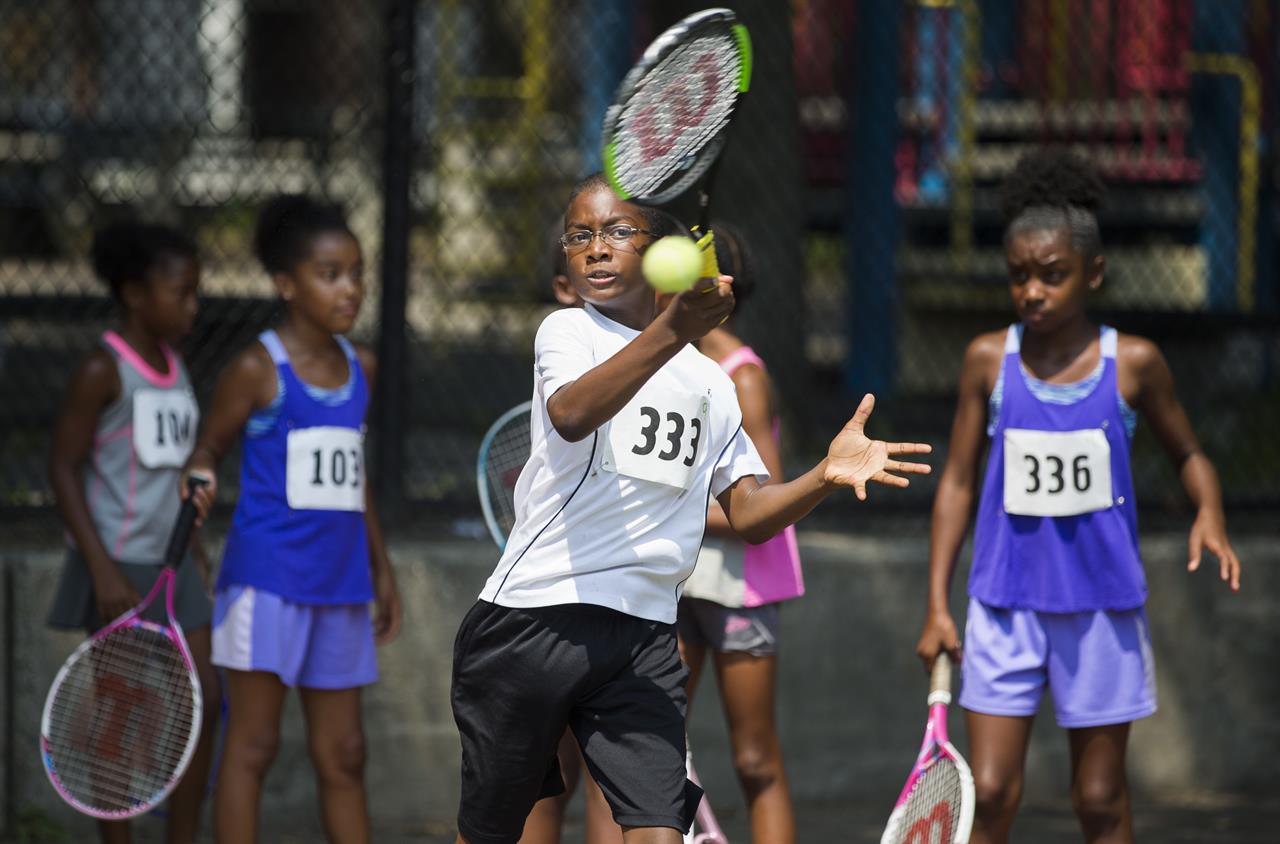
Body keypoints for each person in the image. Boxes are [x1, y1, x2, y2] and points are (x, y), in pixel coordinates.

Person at [452, 172, 932, 844]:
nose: (595, 248)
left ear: (656, 254)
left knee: (658, 833)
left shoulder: (713, 384)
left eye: (617, 231)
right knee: (492, 832)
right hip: (536, 620)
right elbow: (570, 414)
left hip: (644, 636)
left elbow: (749, 513)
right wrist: (673, 329)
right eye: (580, 236)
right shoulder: (566, 332)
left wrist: (823, 475)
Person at [914, 149, 1242, 844]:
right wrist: (939, 602)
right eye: (1019, 277)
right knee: (992, 793)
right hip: (1004, 605)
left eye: (1052, 275)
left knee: (1098, 799)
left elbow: (1188, 453)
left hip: (1100, 608)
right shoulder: (987, 360)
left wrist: (1208, 513)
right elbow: (959, 482)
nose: (1032, 291)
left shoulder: (1135, 365)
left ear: (1093, 272)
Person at [183, 195, 402, 844]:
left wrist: (381, 567)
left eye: (357, 272)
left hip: (341, 586)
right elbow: (207, 447)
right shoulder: (257, 369)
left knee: (345, 754)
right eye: (330, 274)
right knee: (251, 750)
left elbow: (352, 476)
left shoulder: (362, 366)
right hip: (267, 583)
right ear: (286, 284)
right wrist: (198, 473)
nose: (351, 288)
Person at [47, 221, 217, 844]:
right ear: (136, 293)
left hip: (173, 564)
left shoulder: (176, 367)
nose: (193, 305)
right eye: (182, 292)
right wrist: (99, 567)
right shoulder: (103, 368)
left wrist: (194, 550)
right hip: (114, 565)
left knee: (203, 699)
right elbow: (61, 468)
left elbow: (175, 473)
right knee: (118, 710)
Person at [677, 222, 802, 844]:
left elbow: (769, 503)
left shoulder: (742, 376)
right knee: (654, 750)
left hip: (741, 592)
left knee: (754, 760)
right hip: (673, 584)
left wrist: (675, 513)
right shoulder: (660, 365)